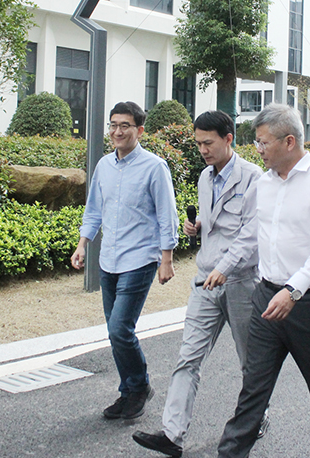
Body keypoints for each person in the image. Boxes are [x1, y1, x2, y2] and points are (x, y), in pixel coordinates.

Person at [217, 104, 310, 458]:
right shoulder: (263, 183)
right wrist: (225, 266)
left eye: (263, 142)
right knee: (253, 388)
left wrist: (294, 290)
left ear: (289, 141)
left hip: (308, 304)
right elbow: (252, 234)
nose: (258, 150)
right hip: (266, 298)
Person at [133, 111, 264, 457]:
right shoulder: (205, 177)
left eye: (208, 143)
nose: (203, 150)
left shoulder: (254, 178)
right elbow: (218, 222)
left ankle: (257, 416)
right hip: (206, 280)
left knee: (250, 361)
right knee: (188, 357)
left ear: (228, 139)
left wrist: (225, 266)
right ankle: (172, 434)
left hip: (241, 282)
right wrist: (199, 225)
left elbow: (251, 235)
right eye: (198, 144)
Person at [70, 101, 178, 421]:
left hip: (140, 258)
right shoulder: (104, 166)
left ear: (139, 130)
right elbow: (94, 209)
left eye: (125, 126)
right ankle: (128, 391)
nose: (117, 131)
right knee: (114, 331)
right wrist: (82, 244)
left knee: (120, 329)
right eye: (113, 125)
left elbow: (167, 214)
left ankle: (139, 386)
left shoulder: (154, 167)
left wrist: (167, 258)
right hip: (109, 259)